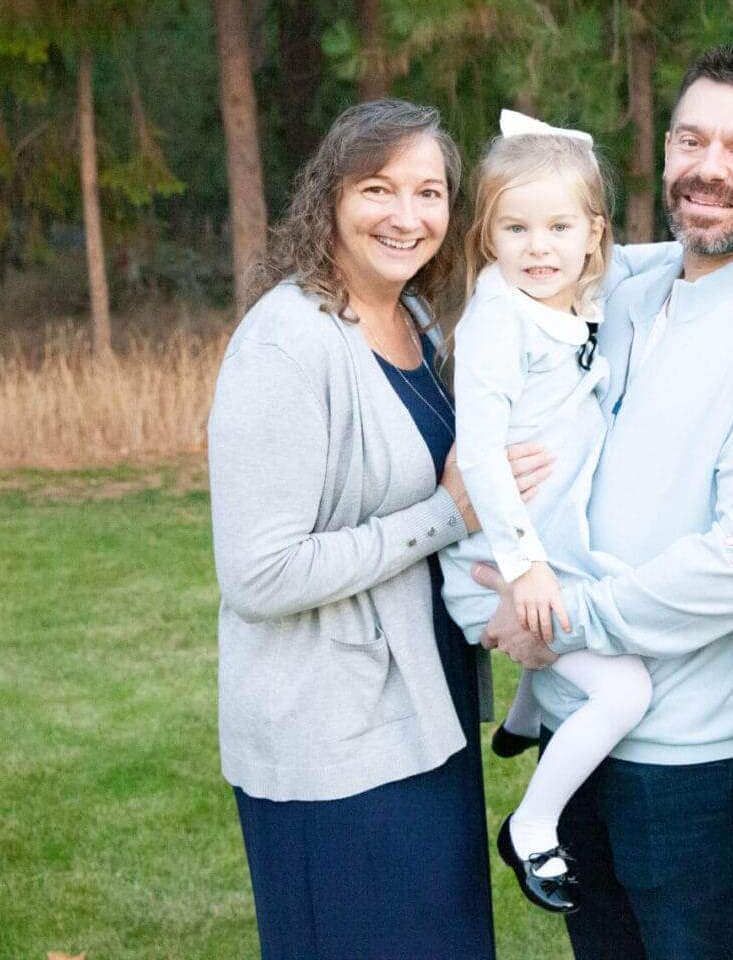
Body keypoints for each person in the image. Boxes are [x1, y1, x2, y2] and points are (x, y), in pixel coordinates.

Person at [474, 45, 733, 959]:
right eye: (692, 140)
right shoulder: (630, 287)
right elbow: (526, 236)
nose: (709, 168)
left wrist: (563, 619)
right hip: (582, 730)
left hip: (693, 768)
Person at [207, 99, 494, 957]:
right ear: (329, 197)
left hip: (424, 706)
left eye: (429, 193)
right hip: (333, 739)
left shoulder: (416, 321)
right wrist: (444, 517)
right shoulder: (287, 343)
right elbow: (259, 574)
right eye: (378, 188)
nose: (407, 216)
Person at [437, 108, 676, 913]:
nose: (538, 247)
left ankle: (523, 713)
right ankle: (533, 825)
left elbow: (654, 258)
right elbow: (479, 454)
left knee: (597, 633)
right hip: (501, 565)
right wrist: (524, 565)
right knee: (625, 691)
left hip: (547, 550)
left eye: (558, 227)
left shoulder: (574, 295)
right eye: (516, 229)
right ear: (488, 237)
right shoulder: (499, 320)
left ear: (592, 235)